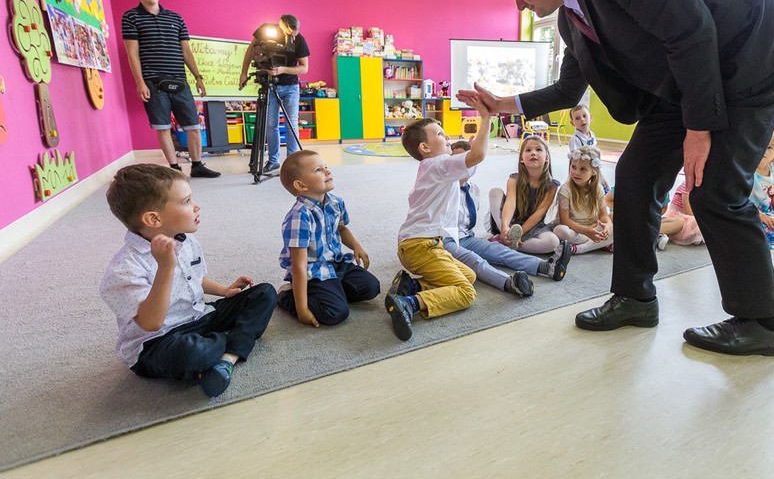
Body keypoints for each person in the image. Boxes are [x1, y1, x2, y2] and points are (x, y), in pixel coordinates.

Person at [458, 0, 774, 356]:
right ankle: (635, 298)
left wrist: (699, 129)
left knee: (715, 190)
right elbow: (568, 90)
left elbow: (691, 29)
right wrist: (503, 104)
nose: (519, 3)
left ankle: (764, 324)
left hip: (752, 57)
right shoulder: (572, 19)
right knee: (635, 177)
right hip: (688, 81)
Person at [100, 164, 276, 397]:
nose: (197, 206)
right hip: (157, 341)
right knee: (191, 353)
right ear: (154, 218)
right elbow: (151, 323)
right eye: (186, 201)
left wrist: (224, 291)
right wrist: (165, 267)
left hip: (198, 316)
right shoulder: (124, 269)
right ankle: (234, 342)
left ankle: (226, 359)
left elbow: (194, 278)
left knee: (264, 293)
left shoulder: (185, 240)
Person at [386, 99, 491, 341]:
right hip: (421, 246)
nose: (447, 137)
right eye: (441, 134)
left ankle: (411, 286)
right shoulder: (438, 164)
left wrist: (475, 145)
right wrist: (486, 118)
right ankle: (409, 303)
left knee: (469, 276)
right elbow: (478, 156)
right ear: (425, 147)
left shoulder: (436, 167)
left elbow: (470, 164)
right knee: (465, 292)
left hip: (422, 245)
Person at [440, 140, 572, 297]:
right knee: (475, 260)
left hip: (466, 237)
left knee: (499, 250)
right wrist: (504, 226)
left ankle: (546, 267)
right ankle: (509, 282)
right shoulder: (441, 186)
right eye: (457, 160)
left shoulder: (474, 189)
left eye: (466, 159)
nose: (463, 164)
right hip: (444, 240)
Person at [121, 0, 220, 178]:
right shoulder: (131, 17)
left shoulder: (176, 18)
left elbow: (186, 51)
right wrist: (140, 82)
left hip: (180, 81)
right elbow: (132, 53)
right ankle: (174, 169)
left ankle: (197, 166)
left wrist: (198, 77)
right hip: (153, 82)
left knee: (194, 126)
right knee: (163, 127)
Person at [276, 150, 380, 327]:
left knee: (371, 287)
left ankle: (332, 290)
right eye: (318, 170)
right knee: (335, 313)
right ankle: (287, 296)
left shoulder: (336, 202)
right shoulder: (299, 216)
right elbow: (299, 265)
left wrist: (356, 246)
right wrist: (302, 309)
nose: (327, 171)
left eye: (326, 167)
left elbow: (341, 228)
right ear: (301, 185)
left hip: (335, 263)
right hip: (313, 271)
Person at [238, 14, 310, 174]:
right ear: (282, 26)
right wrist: (243, 73)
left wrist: (283, 70)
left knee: (291, 124)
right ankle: (273, 161)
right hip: (270, 85)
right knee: (271, 125)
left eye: (295, 33)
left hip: (290, 87)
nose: (293, 36)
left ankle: (293, 162)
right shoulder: (265, 30)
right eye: (290, 33)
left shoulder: (299, 40)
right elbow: (250, 50)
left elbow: (304, 68)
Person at [488, 135, 561, 254]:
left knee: (553, 242)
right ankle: (505, 236)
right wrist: (505, 227)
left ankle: (508, 244)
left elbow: (539, 214)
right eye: (528, 150)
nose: (533, 153)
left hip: (532, 226)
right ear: (521, 158)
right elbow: (510, 204)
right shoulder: (514, 179)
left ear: (547, 158)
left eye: (538, 149)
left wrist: (520, 233)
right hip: (510, 222)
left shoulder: (552, 185)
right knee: (494, 192)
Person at [553, 146, 614, 254]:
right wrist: (586, 231)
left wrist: (608, 226)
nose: (576, 172)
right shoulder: (565, 189)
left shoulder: (598, 189)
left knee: (616, 225)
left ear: (594, 171)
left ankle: (579, 248)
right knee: (560, 231)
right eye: (573, 167)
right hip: (573, 229)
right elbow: (565, 220)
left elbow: (603, 215)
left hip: (592, 226)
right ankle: (596, 243)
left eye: (583, 169)